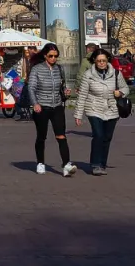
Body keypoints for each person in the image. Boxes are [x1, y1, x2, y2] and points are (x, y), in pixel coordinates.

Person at [74, 47, 128, 175]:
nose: (102, 63)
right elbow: (82, 95)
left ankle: (102, 163)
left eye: (104, 60)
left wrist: (120, 92)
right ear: (94, 61)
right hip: (94, 108)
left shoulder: (115, 73)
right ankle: (95, 164)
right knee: (98, 135)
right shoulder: (88, 75)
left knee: (107, 137)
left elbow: (126, 88)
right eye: (99, 61)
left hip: (112, 109)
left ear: (107, 60)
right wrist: (78, 114)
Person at [27, 43, 74, 176]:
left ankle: (66, 165)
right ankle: (40, 163)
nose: (53, 58)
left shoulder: (59, 69)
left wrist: (66, 92)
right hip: (42, 107)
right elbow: (31, 88)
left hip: (57, 106)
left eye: (56, 56)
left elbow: (62, 86)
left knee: (61, 135)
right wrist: (35, 103)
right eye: (51, 56)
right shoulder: (37, 69)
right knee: (42, 136)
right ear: (45, 56)